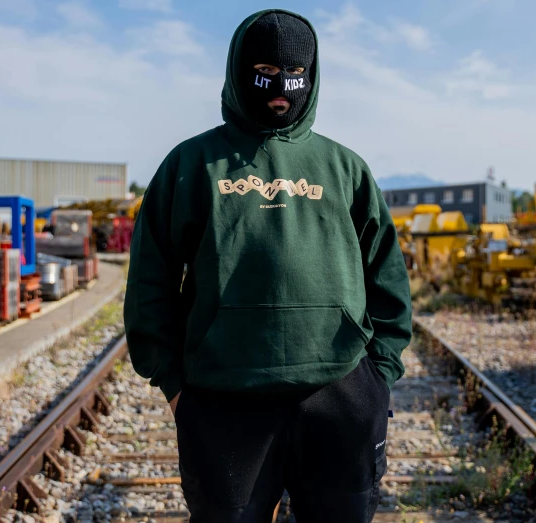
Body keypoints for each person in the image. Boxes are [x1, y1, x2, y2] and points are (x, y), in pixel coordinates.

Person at [124, 8, 412, 523]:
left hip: (341, 394)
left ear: (312, 75)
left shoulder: (345, 169)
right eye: (266, 76)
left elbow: (387, 277)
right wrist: (175, 387)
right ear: (239, 71)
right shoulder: (191, 165)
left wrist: (379, 377)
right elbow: (151, 281)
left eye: (295, 76)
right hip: (222, 400)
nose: (282, 90)